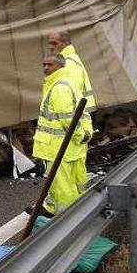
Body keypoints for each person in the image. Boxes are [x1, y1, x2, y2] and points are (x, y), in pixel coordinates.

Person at [33, 53, 89, 215]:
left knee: (62, 186)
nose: (45, 68)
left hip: (58, 148)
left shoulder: (59, 88)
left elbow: (68, 119)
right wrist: (84, 135)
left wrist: (79, 135)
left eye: (50, 65)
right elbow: (82, 114)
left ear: (60, 66)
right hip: (72, 148)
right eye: (44, 65)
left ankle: (66, 219)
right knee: (74, 183)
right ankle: (52, 208)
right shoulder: (68, 83)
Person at [48, 31, 95, 192]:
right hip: (77, 127)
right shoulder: (72, 61)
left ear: (65, 42)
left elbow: (67, 103)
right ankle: (80, 206)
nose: (51, 47)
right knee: (76, 177)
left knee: (65, 179)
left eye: (54, 43)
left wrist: (78, 133)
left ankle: (66, 211)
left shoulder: (68, 65)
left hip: (70, 131)